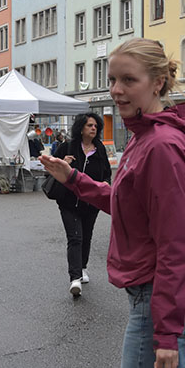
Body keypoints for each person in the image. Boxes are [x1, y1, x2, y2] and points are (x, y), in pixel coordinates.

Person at [40, 38, 185, 368]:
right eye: (112, 79)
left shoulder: (161, 145)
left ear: (158, 82)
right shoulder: (145, 135)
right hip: (154, 296)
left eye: (128, 80)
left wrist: (165, 334)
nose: (116, 90)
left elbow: (177, 246)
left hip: (159, 298)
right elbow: (125, 202)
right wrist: (73, 178)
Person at [52, 113, 112, 296]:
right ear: (80, 128)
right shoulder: (67, 146)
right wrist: (63, 163)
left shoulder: (99, 149)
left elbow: (106, 173)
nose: (93, 128)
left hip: (91, 203)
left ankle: (83, 267)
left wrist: (106, 184)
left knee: (86, 236)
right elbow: (52, 167)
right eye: (89, 125)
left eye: (95, 126)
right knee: (75, 237)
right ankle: (75, 278)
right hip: (68, 202)